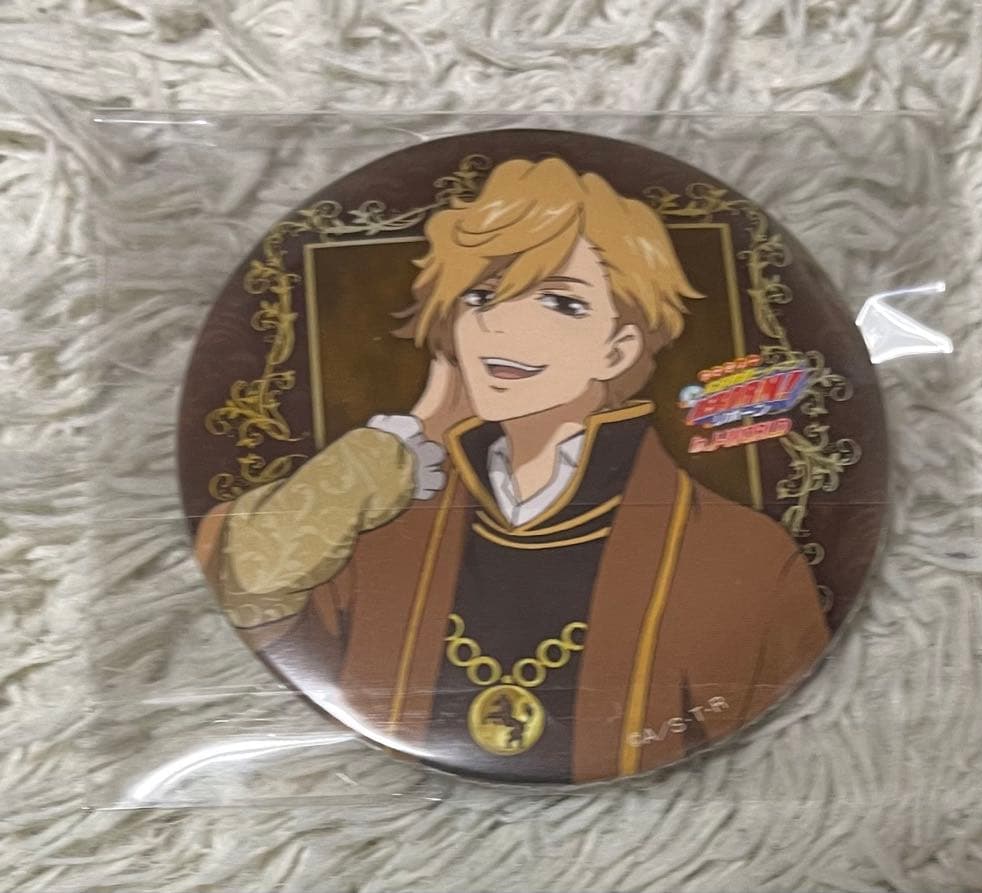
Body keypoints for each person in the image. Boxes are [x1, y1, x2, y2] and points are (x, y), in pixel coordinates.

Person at [194, 157, 829, 783]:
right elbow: (244, 577)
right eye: (481, 296)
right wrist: (410, 433)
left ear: (618, 349)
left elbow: (777, 761)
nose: (502, 325)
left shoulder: (743, 555)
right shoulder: (381, 518)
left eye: (561, 302)